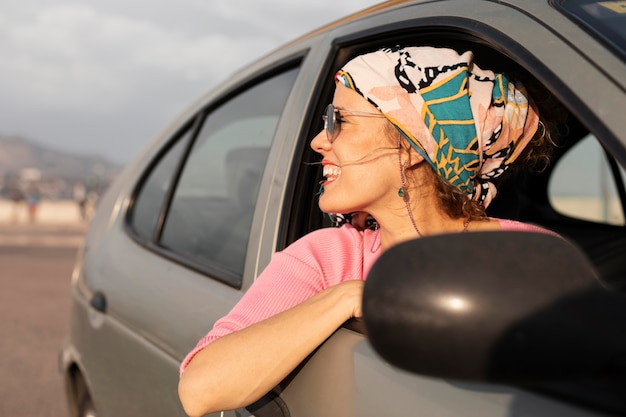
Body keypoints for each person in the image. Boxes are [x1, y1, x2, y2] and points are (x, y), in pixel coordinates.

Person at [178, 46, 556, 416]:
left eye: (339, 121)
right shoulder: (329, 257)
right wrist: (346, 298)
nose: (319, 140)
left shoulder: (530, 256)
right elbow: (200, 390)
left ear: (410, 146)